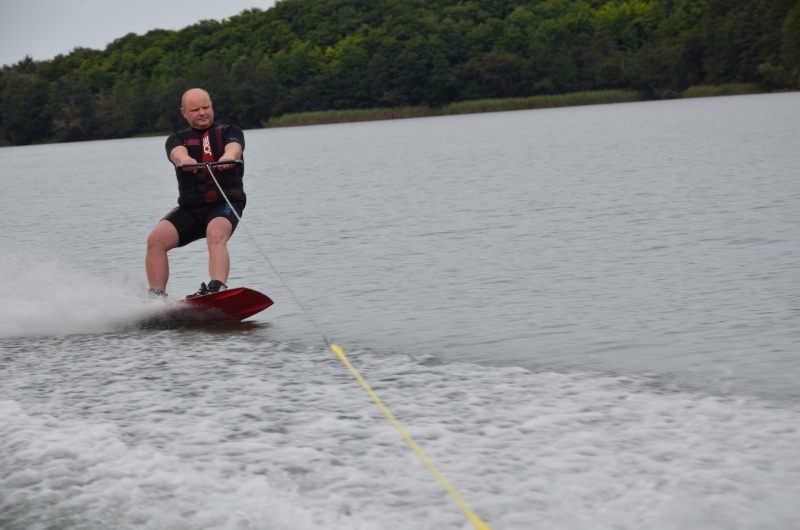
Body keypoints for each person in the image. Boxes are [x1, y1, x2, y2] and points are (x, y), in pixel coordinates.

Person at [145, 88, 246, 299]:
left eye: (205, 107)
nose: (202, 113)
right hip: (191, 209)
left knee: (215, 234)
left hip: (225, 204)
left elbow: (234, 147)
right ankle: (156, 298)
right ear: (184, 112)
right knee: (155, 239)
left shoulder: (230, 131)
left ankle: (216, 288)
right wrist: (184, 160)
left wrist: (228, 157)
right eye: (195, 110)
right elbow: (176, 153)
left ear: (212, 106)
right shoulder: (176, 139)